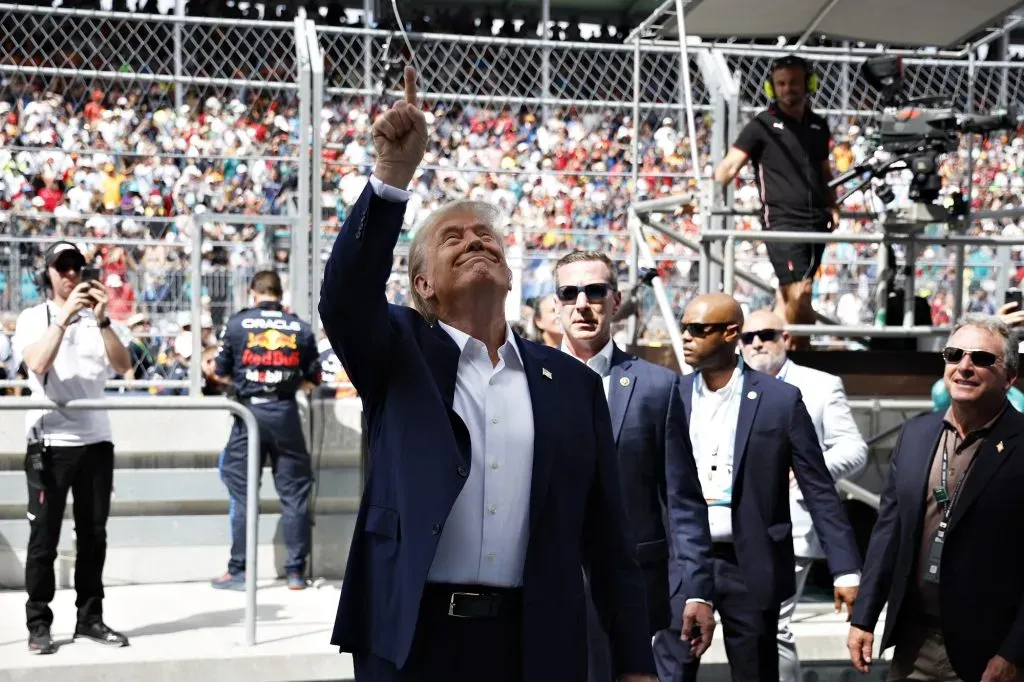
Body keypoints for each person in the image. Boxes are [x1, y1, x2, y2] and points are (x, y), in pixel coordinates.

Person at [320, 66, 656, 682]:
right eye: (453, 238)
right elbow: (343, 298)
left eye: (486, 236)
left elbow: (608, 540)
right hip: (412, 639)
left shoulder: (573, 385)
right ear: (422, 284)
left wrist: (636, 661)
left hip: (533, 642)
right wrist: (392, 178)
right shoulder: (398, 352)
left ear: (507, 270)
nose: (475, 240)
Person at [653, 293, 861, 682]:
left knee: (755, 671)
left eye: (697, 330)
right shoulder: (671, 396)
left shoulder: (779, 400)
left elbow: (818, 488)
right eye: (684, 328)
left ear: (731, 333)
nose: (685, 338)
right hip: (682, 561)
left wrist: (846, 569)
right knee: (671, 671)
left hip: (750, 564)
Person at [554, 250, 715, 682]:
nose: (582, 303)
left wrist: (698, 589)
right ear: (556, 305)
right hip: (548, 588)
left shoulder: (658, 387)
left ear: (616, 299)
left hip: (634, 594)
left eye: (595, 291)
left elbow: (682, 501)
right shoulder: (529, 381)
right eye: (569, 293)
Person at [849, 315, 1024, 682]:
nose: (964, 366)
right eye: (954, 354)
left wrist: (1014, 652)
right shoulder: (916, 434)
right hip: (913, 644)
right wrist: (864, 616)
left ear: (1009, 378)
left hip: (991, 652)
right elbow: (888, 533)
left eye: (981, 359)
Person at [12, 240, 133, 654]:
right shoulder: (34, 318)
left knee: (94, 536)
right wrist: (64, 317)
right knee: (43, 536)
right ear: (48, 273)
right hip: (50, 441)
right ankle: (38, 623)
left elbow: (123, 367)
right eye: (62, 267)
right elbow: (38, 363)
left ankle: (90, 619)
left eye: (76, 267)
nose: (70, 275)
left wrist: (101, 321)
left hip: (96, 440)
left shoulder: (98, 319)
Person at [740, 309, 868, 682]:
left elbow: (854, 449)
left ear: (787, 339)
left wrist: (809, 468)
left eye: (766, 334)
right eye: (747, 337)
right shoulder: (730, 384)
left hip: (793, 526)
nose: (757, 343)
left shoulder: (821, 385)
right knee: (749, 626)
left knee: (776, 626)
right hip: (736, 526)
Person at [713, 55, 838, 350]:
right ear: (772, 88)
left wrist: (833, 204)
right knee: (800, 292)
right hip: (781, 221)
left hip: (817, 222)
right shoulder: (762, 125)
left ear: (809, 84)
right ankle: (802, 355)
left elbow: (824, 170)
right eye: (781, 83)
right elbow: (728, 167)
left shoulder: (819, 125)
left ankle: (766, 350)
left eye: (794, 82)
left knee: (789, 296)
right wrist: (703, 194)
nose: (788, 89)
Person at [209, 270, 320, 591]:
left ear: (252, 293)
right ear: (280, 294)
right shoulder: (300, 327)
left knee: (243, 494)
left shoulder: (236, 324)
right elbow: (314, 378)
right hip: (285, 412)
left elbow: (220, 373)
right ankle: (296, 573)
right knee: (295, 494)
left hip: (249, 413)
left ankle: (240, 570)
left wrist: (250, 381)